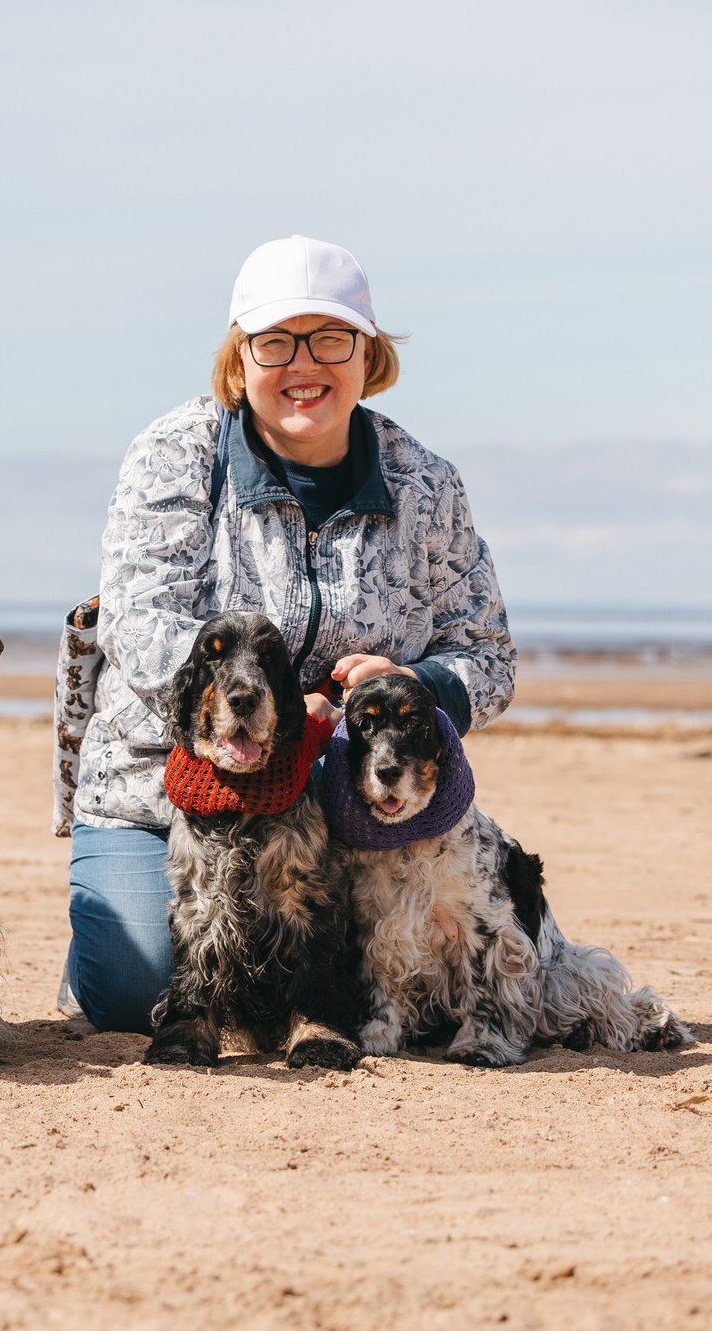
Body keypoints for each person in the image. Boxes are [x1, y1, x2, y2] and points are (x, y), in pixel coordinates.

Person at [61, 234, 516, 1034]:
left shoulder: (428, 485)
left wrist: (421, 687)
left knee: (368, 995)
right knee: (138, 994)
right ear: (241, 359)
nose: (304, 363)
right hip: (162, 792)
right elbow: (139, 624)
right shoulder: (176, 454)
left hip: (351, 806)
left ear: (368, 356)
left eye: (331, 338)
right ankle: (105, 936)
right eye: (276, 341)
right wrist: (275, 707)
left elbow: (488, 657)